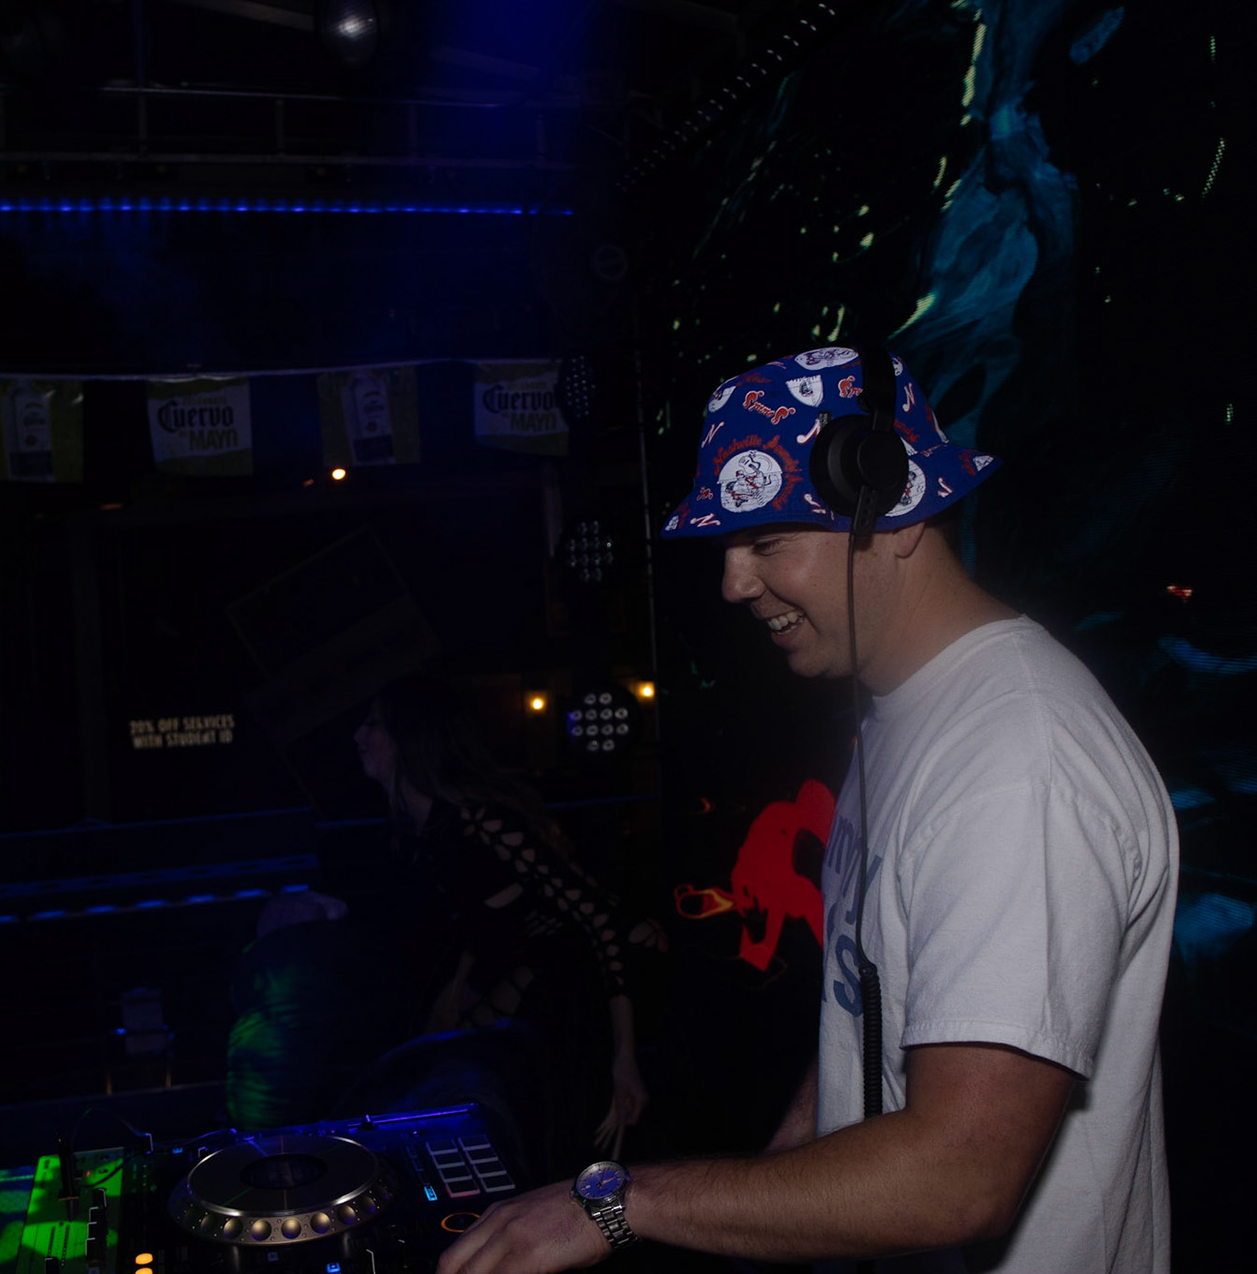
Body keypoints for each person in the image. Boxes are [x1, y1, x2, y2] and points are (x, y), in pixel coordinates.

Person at [437, 346, 1178, 1273]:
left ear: (892, 509)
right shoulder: (903, 712)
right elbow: (872, 1002)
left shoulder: (1018, 766)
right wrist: (784, 1174)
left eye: (767, 541)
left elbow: (963, 1176)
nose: (733, 585)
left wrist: (624, 1204)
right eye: (727, 549)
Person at [354, 676, 665, 1166]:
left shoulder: (479, 821)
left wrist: (624, 1057)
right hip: (552, 975)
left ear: (407, 736)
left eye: (372, 724)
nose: (358, 736)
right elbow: (480, 922)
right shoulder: (427, 832)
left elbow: (597, 918)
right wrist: (454, 993)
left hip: (601, 976)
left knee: (565, 1134)